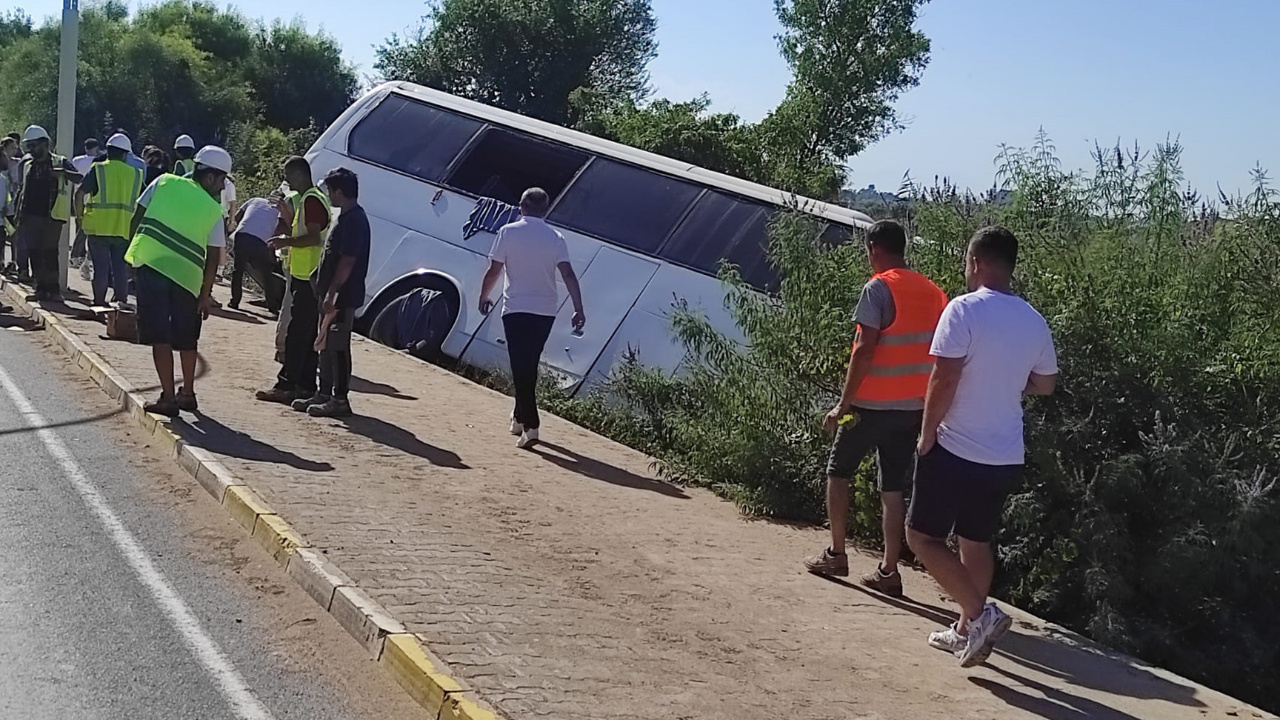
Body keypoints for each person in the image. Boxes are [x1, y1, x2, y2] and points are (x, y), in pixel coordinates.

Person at [905, 226, 1058, 668]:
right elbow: (1046, 385)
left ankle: (980, 614)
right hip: (1005, 453)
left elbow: (944, 376)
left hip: (956, 446)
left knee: (922, 537)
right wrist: (1008, 380)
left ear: (975, 261)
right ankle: (964, 632)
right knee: (976, 540)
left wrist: (926, 432)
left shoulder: (964, 310)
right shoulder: (1032, 319)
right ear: (1010, 266)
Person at [804, 220, 950, 596]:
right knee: (892, 489)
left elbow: (864, 348)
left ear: (874, 249)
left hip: (868, 406)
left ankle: (836, 552)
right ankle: (889, 570)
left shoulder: (878, 288)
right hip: (911, 409)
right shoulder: (935, 294)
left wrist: (843, 404)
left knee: (838, 472)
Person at [125, 146, 233, 417]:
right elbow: (212, 258)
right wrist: (205, 295)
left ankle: (169, 398)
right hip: (188, 282)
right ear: (209, 177)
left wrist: (133, 256)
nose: (221, 188)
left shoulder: (163, 182)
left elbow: (137, 218)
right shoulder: (212, 210)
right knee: (186, 338)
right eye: (221, 181)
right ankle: (188, 394)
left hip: (152, 269)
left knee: (159, 337)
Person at [478, 187, 586, 449]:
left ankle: (532, 425)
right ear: (546, 209)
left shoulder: (508, 232)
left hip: (516, 307)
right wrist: (578, 307)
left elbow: (495, 269)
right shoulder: (556, 237)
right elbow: (568, 274)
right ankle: (518, 416)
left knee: (520, 365)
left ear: (521, 207)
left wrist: (484, 295)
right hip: (545, 310)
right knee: (529, 363)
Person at [292, 167, 369, 418]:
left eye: (330, 190)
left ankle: (339, 398)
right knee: (324, 346)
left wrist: (332, 292)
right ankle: (323, 393)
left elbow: (347, 261)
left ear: (339, 191)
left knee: (337, 347)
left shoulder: (355, 220)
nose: (329, 195)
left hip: (341, 298)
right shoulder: (345, 217)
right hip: (329, 296)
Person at [256, 156, 332, 404]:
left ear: (300, 174)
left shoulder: (311, 199)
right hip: (308, 276)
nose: (286, 181)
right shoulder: (312, 199)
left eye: (289, 175)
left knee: (297, 335)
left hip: (306, 277)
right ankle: (305, 386)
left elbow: (312, 238)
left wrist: (284, 242)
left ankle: (286, 384)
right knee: (306, 335)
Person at [13, 125, 83, 301]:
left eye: (34, 145)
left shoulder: (60, 162)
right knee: (35, 253)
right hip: (30, 216)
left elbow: (79, 178)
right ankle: (40, 289)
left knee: (50, 253)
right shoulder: (29, 165)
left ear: (44, 144)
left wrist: (61, 173)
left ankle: (54, 290)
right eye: (29, 146)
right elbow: (23, 191)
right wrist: (18, 216)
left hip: (52, 217)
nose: (31, 150)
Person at [76, 133, 145, 307]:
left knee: (100, 268)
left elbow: (79, 194)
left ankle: (99, 302)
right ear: (125, 154)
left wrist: (79, 217)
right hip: (123, 229)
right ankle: (121, 302)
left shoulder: (98, 169)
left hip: (98, 228)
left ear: (108, 152)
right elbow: (145, 201)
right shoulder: (136, 174)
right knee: (120, 269)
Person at [228, 196, 282, 312]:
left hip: (242, 234)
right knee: (266, 274)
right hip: (261, 240)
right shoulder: (279, 210)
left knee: (238, 270)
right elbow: (277, 231)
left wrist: (245, 225)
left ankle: (234, 302)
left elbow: (237, 216)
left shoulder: (255, 200)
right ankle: (272, 305)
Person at [70, 138, 102, 274]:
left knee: (80, 225)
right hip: (92, 198)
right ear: (96, 148)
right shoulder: (98, 163)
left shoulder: (77, 160)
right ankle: (78, 254)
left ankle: (79, 253)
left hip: (78, 196)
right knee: (87, 230)